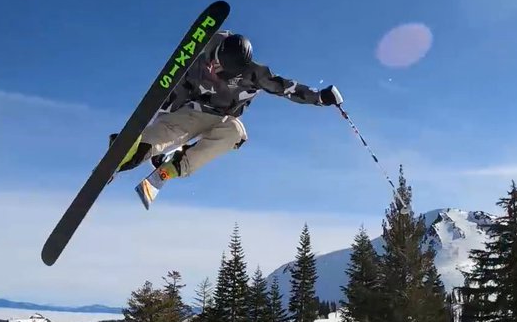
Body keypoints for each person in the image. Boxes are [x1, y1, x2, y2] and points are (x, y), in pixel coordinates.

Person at [111, 30, 345, 202]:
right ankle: (130, 153)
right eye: (216, 64)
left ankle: (175, 167)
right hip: (190, 110)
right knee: (170, 132)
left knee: (237, 133)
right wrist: (158, 129)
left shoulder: (255, 74)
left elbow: (286, 88)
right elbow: (175, 90)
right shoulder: (203, 52)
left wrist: (320, 97)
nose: (216, 70)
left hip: (221, 118)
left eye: (223, 71)